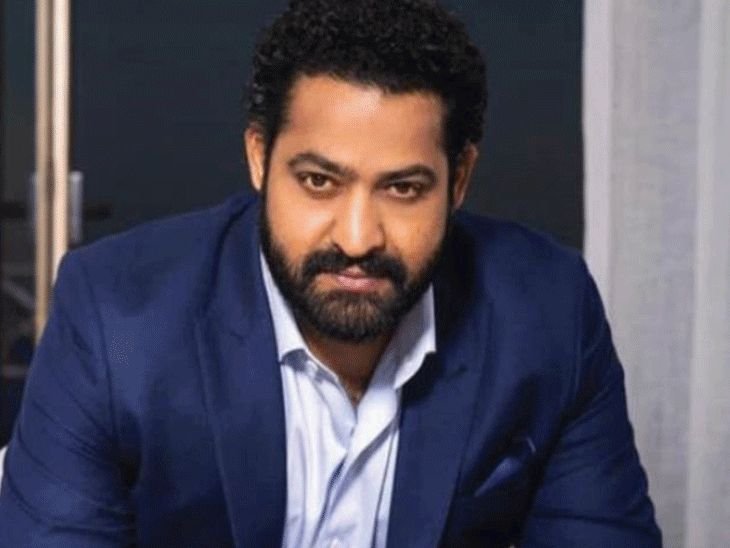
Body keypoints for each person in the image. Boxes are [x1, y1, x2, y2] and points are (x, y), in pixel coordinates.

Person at [0, 0, 661, 546]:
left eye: (403, 189)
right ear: (259, 158)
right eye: (319, 181)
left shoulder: (548, 311)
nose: (356, 238)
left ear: (459, 179)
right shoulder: (117, 317)